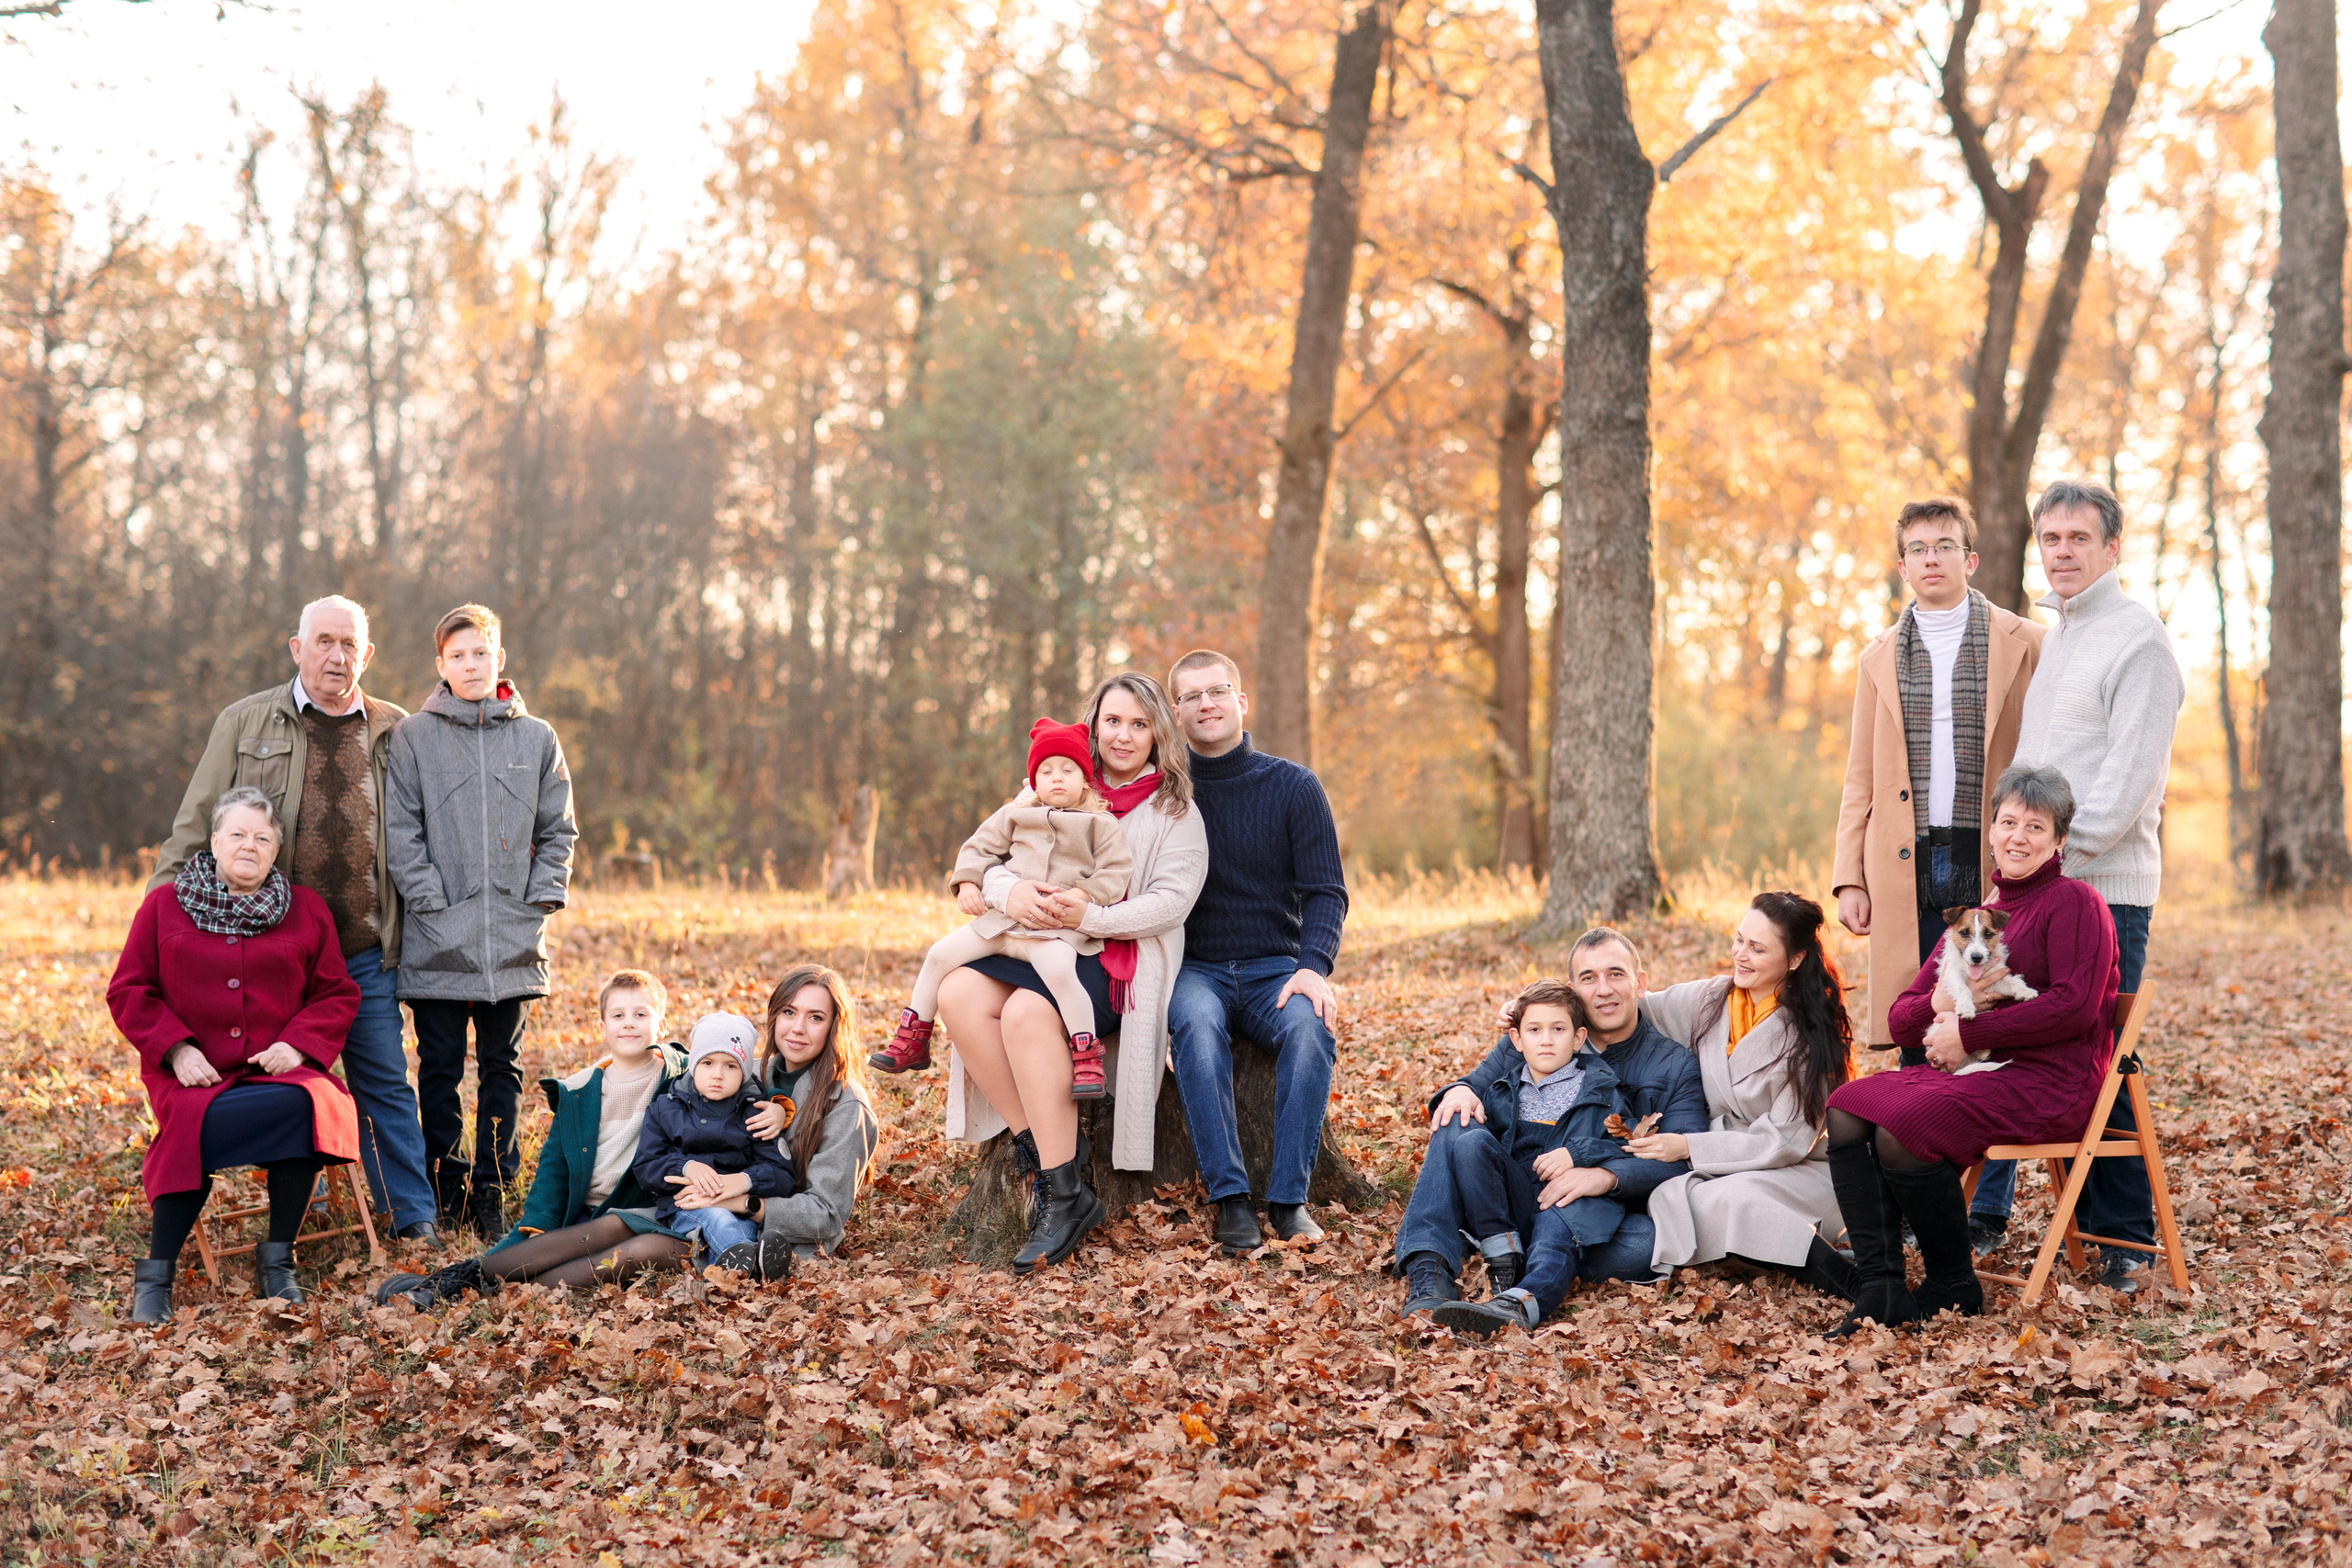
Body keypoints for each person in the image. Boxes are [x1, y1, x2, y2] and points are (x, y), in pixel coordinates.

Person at [153, 595, 438, 1244]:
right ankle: (298, 1211)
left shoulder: (397, 728)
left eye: (349, 646)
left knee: (385, 1080)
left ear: (366, 656)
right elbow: (194, 826)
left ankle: (410, 1212)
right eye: (324, 641)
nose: (336, 656)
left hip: (364, 946)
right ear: (297, 647)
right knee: (281, 1076)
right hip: (270, 950)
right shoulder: (245, 721)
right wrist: (159, 923)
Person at [1965, 480, 2183, 1286]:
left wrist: (2044, 867)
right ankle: (2070, 1227)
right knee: (2031, 1043)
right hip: (2044, 887)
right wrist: (2020, 868)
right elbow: (2030, 773)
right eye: (2050, 537)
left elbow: (2127, 787)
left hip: (2106, 891)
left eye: (2078, 538)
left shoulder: (2140, 643)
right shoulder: (2060, 637)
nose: (2062, 550)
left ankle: (2124, 1242)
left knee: (2101, 1058)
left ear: (2112, 548)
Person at [1823, 765, 2119, 1337]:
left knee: (1904, 1127)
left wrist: (1970, 1035)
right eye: (2008, 821)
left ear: (2059, 840)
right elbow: (1901, 1019)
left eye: (2036, 826)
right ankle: (1881, 1287)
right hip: (1982, 1072)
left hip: (2052, 1083)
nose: (2018, 836)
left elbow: (2075, 1006)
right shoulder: (1974, 920)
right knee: (1846, 1105)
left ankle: (1952, 1285)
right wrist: (1940, 1001)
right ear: (1990, 831)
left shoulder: (2077, 904)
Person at [937, 672, 1206, 1273]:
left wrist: (1096, 913)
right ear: (1094, 724)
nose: (1125, 734)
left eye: (1139, 723)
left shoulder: (1173, 809)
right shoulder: (1052, 782)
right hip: (1033, 938)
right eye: (1114, 720)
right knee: (955, 991)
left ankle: (1061, 1194)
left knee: (1025, 1011)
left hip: (1111, 960)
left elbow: (1172, 901)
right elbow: (992, 861)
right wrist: (1015, 892)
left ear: (1158, 731)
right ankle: (1042, 1151)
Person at [110, 788, 364, 1322]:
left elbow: (337, 992)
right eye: (239, 835)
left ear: (276, 851)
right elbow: (129, 990)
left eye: (262, 838)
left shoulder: (306, 908)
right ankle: (155, 1276)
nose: (249, 846)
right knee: (189, 1125)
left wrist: (297, 1045)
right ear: (215, 841)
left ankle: (277, 1260)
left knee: (307, 1106)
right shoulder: (164, 905)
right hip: (193, 1077)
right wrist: (175, 1050)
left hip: (276, 1072)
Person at [384, 604, 578, 1243]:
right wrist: (431, 900)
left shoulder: (537, 738)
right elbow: (401, 829)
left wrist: (538, 897)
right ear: (441, 665)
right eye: (458, 655)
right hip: (439, 936)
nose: (471, 664)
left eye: (481, 652)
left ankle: (493, 1186)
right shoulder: (415, 736)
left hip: (513, 939)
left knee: (504, 1066)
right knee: (439, 1068)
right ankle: (448, 1185)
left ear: (501, 658)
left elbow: (559, 830)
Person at [1833, 498, 2044, 1083]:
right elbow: (1860, 776)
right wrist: (1849, 874)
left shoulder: (2026, 641)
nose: (1932, 559)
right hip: (1906, 856)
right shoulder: (1877, 656)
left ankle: (1989, 1170)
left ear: (1970, 559)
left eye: (1945, 546)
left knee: (1993, 1006)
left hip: (1997, 849)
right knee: (1921, 1011)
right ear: (1903, 567)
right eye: (1918, 549)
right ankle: (1920, 1162)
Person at [1398, 929, 1707, 1323]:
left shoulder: (1674, 1064)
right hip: (1514, 1191)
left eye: (1616, 974)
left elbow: (1683, 1154)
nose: (1604, 990)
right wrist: (1458, 1091)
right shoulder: (1538, 1033)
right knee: (1456, 1118)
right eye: (1589, 978)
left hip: (1592, 1212)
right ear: (1573, 989)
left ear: (1640, 983)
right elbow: (1477, 1084)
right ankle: (1429, 1269)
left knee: (1647, 1243)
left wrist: (1603, 1176)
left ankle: (1509, 1261)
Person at [1164, 650, 1349, 1252]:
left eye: (1217, 691)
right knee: (1193, 1022)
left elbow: (1326, 891)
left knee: (1310, 1027)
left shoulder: (1293, 786)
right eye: (1191, 696)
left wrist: (1312, 968)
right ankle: (1230, 1199)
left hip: (1276, 967)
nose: (1206, 704)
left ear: (1241, 701)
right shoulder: (1165, 793)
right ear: (1177, 712)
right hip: (1196, 968)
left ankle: (1289, 1199)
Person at [372, 968, 693, 1308]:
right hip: (583, 1216)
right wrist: (529, 1231)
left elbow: (734, 1071)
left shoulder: (682, 1079)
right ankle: (451, 1281)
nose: (629, 1023)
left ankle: (474, 1292)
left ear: (661, 1025)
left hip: (641, 1214)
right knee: (525, 1257)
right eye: (618, 1015)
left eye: (641, 1014)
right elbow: (552, 1176)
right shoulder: (579, 1091)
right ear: (602, 1026)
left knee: (577, 1265)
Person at [872, 718, 1135, 1097]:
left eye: (1068, 770)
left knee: (1062, 975)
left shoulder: (1101, 824)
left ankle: (1086, 1056)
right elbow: (978, 848)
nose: (1056, 778)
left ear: (1085, 778)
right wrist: (967, 883)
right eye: (1046, 771)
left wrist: (1084, 895)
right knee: (940, 954)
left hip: (1053, 927)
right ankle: (913, 1037)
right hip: (1002, 923)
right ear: (1034, 779)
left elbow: (1116, 872)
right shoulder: (1015, 813)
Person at [1630, 892, 1860, 1303]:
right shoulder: (1710, 1000)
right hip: (1729, 1163)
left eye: (1757, 948)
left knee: (1730, 1199)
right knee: (1676, 1194)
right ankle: (1772, 1253)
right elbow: (1631, 1010)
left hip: (1799, 1171)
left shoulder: (1811, 1032)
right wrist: (1537, 1008)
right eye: (1739, 940)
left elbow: (1787, 1141)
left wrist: (1687, 1145)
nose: (1741, 955)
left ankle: (1848, 1282)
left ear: (1793, 959)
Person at [636, 1013, 799, 1280]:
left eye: (731, 1066)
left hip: (738, 1208)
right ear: (693, 1065)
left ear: (744, 1072)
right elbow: (646, 1167)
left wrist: (744, 1180)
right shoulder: (666, 1109)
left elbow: (782, 1174)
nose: (717, 1075)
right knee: (718, 1221)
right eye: (708, 1062)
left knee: (739, 1230)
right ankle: (757, 1273)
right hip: (687, 1207)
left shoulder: (755, 1113)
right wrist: (686, 1167)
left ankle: (737, 1268)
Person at [747, 964, 881, 1262]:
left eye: (816, 1018)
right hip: (711, 1214)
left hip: (782, 1246)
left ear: (834, 1027)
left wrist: (746, 1204)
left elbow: (826, 1214)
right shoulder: (747, 1076)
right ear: (774, 1016)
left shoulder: (846, 1104)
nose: (798, 1028)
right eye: (789, 1012)